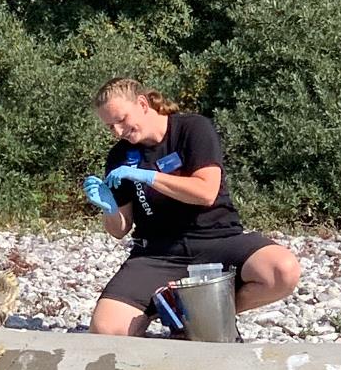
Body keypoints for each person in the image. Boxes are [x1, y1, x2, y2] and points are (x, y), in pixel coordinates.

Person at [82, 77, 301, 336]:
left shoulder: (192, 129)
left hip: (217, 240)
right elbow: (120, 229)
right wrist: (109, 208)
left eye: (121, 120)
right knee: (106, 329)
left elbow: (206, 193)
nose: (118, 132)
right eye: (110, 127)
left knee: (282, 270)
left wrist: (148, 176)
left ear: (142, 104)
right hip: (157, 254)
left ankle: (198, 318)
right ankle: (179, 314)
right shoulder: (120, 156)